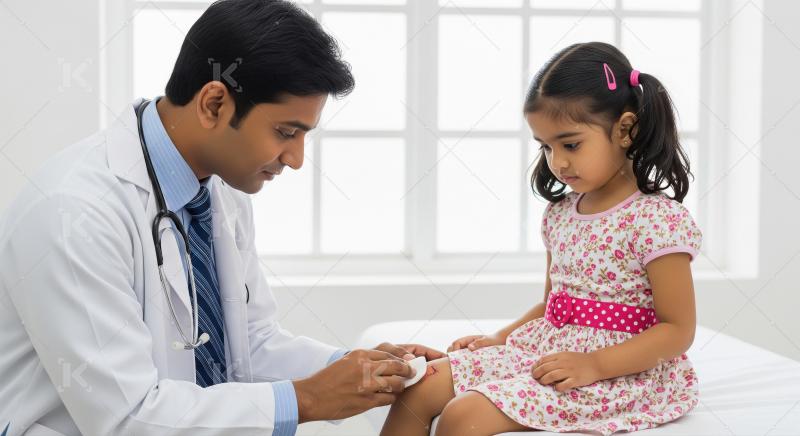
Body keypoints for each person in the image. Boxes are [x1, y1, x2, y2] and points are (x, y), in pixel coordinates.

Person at [0, 1, 443, 434]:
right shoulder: (74, 211)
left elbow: (248, 344)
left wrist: (354, 368)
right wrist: (307, 399)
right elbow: (128, 418)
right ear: (214, 103)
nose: (295, 159)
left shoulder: (220, 189)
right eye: (286, 133)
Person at [381, 41, 702, 436]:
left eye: (570, 144)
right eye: (546, 147)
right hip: (548, 349)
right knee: (421, 385)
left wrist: (595, 364)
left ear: (625, 130)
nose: (558, 161)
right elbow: (554, 303)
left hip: (620, 371)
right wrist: (500, 338)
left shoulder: (656, 221)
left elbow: (677, 330)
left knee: (464, 415)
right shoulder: (561, 213)